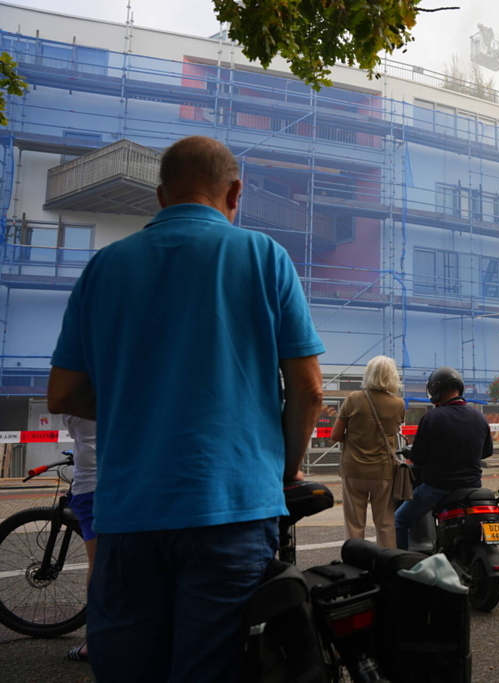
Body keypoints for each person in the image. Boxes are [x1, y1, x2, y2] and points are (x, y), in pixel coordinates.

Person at [47, 135, 325, 683]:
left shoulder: (104, 267)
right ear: (235, 192)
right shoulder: (264, 256)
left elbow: (64, 395)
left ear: (159, 196)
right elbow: (309, 388)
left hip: (127, 511)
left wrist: (142, 408)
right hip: (233, 506)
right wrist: (287, 466)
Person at [394, 367, 492, 550]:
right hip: (472, 486)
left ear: (435, 392)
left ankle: (400, 566)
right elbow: (486, 452)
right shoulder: (480, 416)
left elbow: (418, 458)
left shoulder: (431, 417)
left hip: (438, 488)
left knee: (399, 520)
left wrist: (411, 453)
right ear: (460, 389)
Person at [331, 355, 405, 548]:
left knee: (354, 524)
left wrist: (356, 439)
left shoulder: (354, 399)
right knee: (386, 523)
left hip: (353, 469)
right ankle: (388, 564)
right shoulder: (398, 404)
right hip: (383, 471)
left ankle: (356, 564)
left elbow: (335, 435)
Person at [64, 416, 96, 663]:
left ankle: (95, 642)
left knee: (98, 565)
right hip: (128, 481)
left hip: (92, 485)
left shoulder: (77, 400)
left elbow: (78, 434)